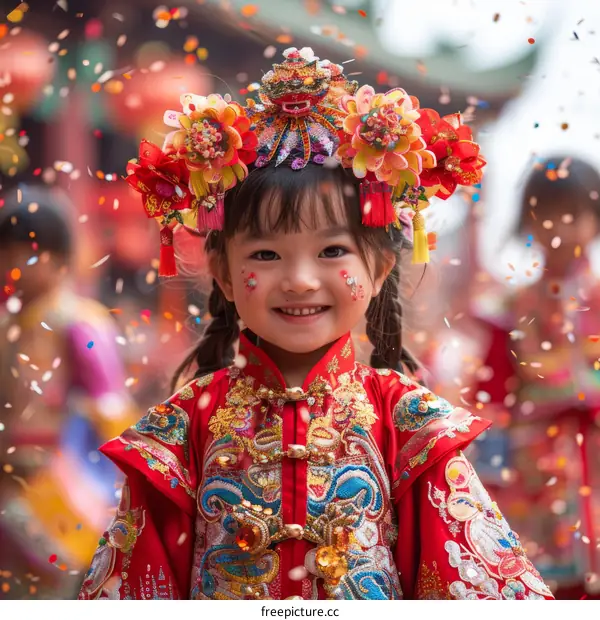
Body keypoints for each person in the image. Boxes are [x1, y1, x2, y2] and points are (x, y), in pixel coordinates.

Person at [78, 47, 552, 600]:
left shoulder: (407, 425)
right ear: (224, 275)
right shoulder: (184, 430)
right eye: (267, 256)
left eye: (331, 251)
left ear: (379, 268)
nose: (300, 280)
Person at [469, 157, 600, 597]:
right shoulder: (508, 309)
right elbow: (490, 397)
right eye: (545, 212)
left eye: (574, 213)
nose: (559, 226)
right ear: (528, 218)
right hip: (534, 475)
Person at [0, 185, 137, 599]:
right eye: (4, 252)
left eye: (22, 252)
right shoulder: (8, 326)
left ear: (59, 258)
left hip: (62, 493)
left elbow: (113, 414)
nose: (9, 264)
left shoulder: (80, 323)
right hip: (10, 484)